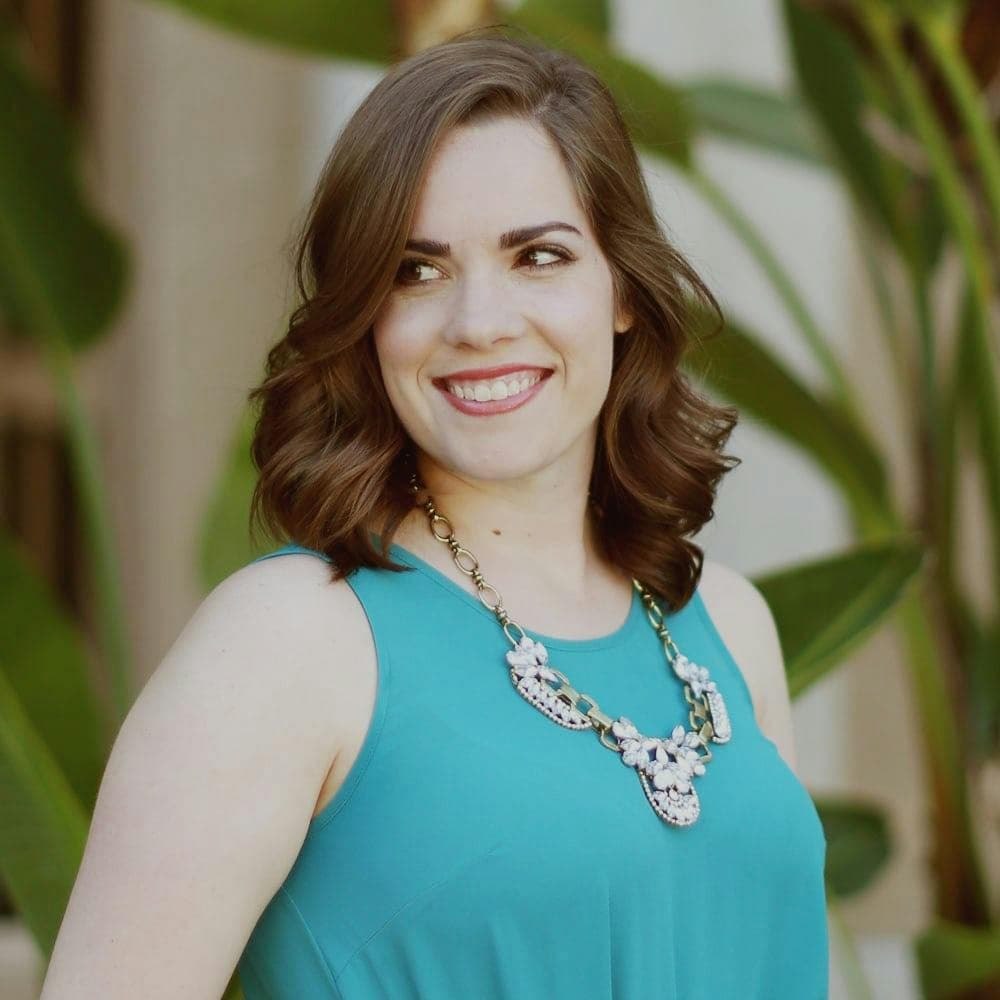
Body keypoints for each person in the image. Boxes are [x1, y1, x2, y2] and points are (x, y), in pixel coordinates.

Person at [40, 26, 829, 1000]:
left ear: (621, 288)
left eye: (537, 256)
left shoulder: (728, 627)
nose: (478, 322)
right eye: (415, 271)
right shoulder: (287, 642)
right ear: (364, 317)